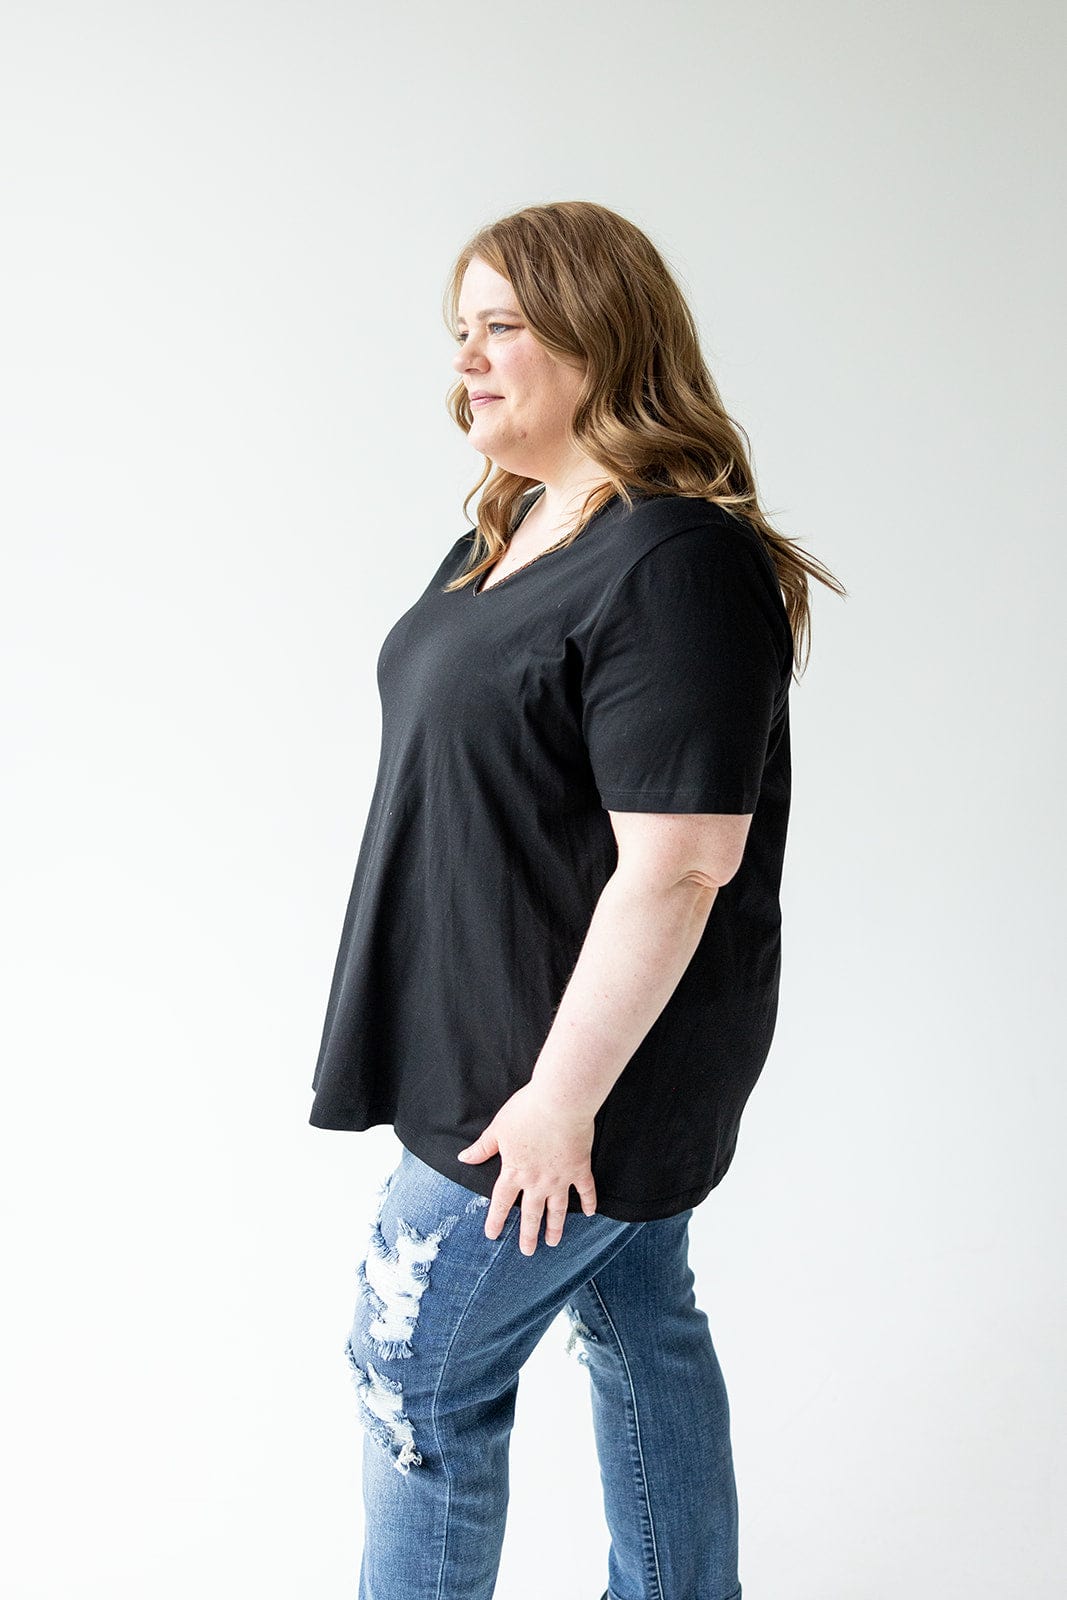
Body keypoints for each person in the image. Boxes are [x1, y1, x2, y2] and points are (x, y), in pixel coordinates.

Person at [309, 200, 846, 1600]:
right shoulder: (512, 530)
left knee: (411, 1375)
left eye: (502, 327)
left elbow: (681, 859)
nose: (468, 362)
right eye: (460, 332)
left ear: (599, 334)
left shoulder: (675, 558)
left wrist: (559, 1101)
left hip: (558, 1078)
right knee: (636, 1320)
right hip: (504, 1043)